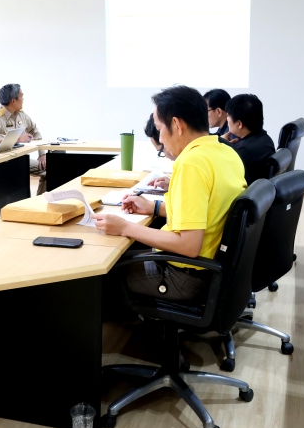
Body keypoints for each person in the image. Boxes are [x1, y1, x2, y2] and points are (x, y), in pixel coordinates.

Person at [92, 85, 247, 302]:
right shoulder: (226, 152)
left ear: (177, 124)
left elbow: (189, 246)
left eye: (160, 129)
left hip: (184, 277)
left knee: (98, 274)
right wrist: (153, 207)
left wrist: (125, 227)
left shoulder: (191, 163)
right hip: (211, 271)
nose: (161, 139)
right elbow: (208, 209)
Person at [0, 83, 47, 195]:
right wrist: (16, 138)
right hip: (4, 161)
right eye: (21, 96)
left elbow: (35, 131)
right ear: (13, 101)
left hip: (21, 159)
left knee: (48, 170)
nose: (23, 99)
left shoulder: (21, 114)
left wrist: (42, 154)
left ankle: (39, 202)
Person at [222, 94, 276, 184]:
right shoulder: (265, 139)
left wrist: (221, 146)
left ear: (239, 124)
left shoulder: (243, 151)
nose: (227, 119)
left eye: (228, 116)